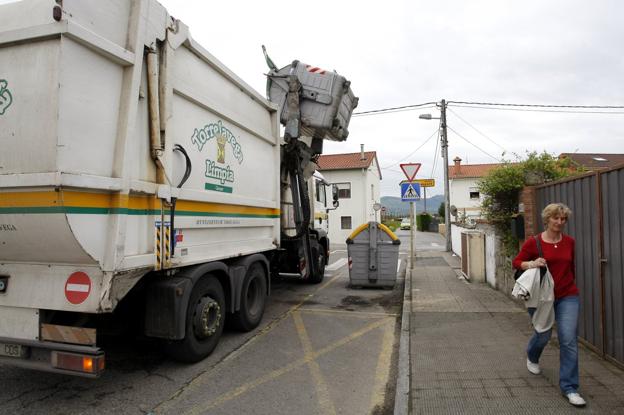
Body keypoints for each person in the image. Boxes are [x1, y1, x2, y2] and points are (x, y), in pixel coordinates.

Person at [513, 203, 585, 407]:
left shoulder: (570, 242)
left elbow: (570, 267)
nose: (560, 222)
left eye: (563, 219)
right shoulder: (534, 242)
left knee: (568, 339)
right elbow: (517, 262)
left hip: (567, 296)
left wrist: (570, 285)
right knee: (543, 334)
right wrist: (532, 263)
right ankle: (532, 355)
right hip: (541, 297)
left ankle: (570, 388)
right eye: (556, 218)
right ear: (547, 219)